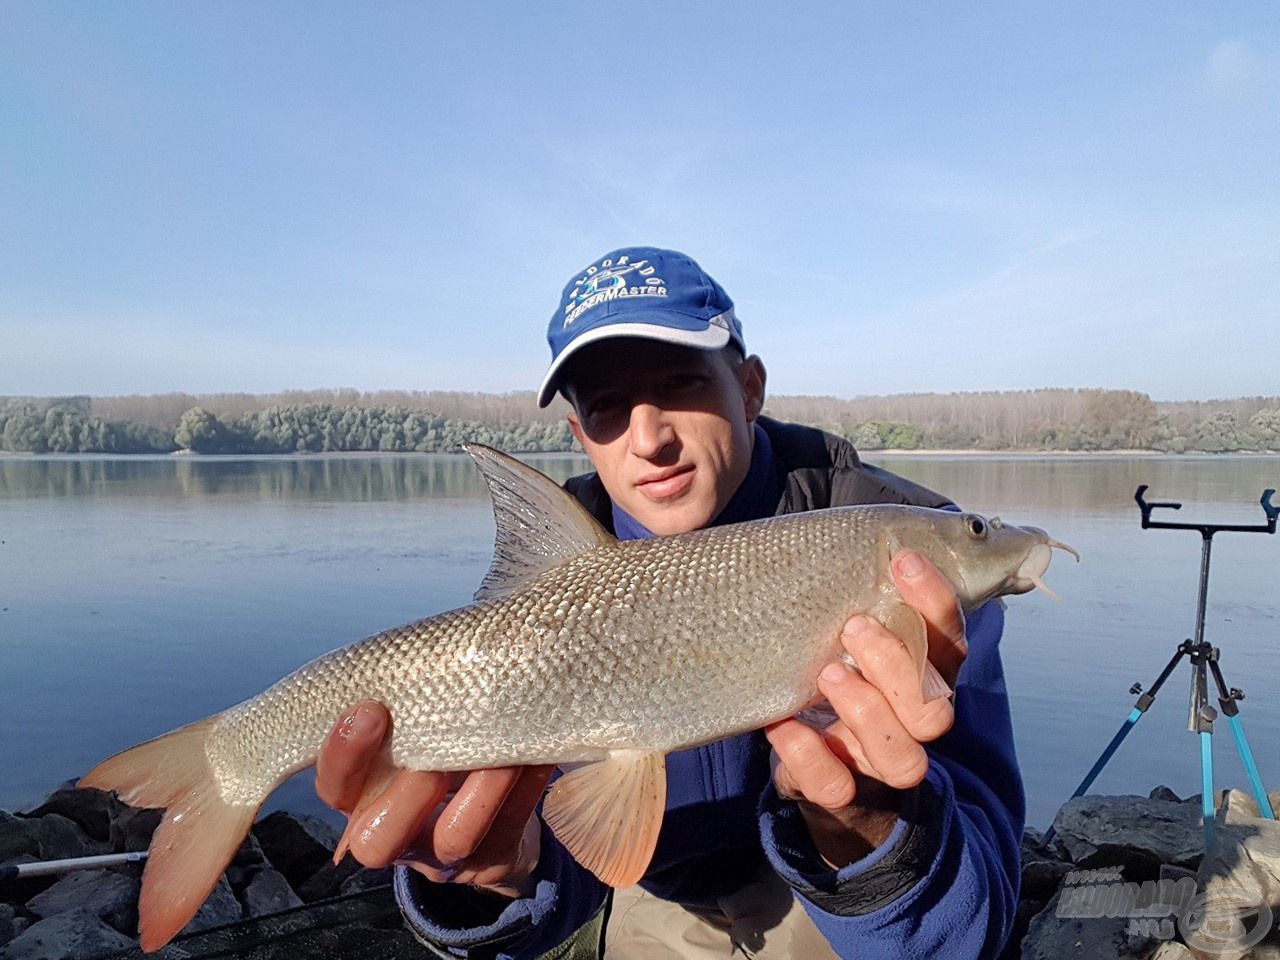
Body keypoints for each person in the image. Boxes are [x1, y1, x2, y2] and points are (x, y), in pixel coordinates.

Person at [314, 247, 1024, 959]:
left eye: (681, 384)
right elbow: (577, 869)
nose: (649, 439)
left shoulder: (904, 547)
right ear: (578, 435)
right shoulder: (557, 596)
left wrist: (871, 832)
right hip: (657, 899)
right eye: (608, 408)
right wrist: (494, 878)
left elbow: (974, 929)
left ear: (750, 388)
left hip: (835, 903)